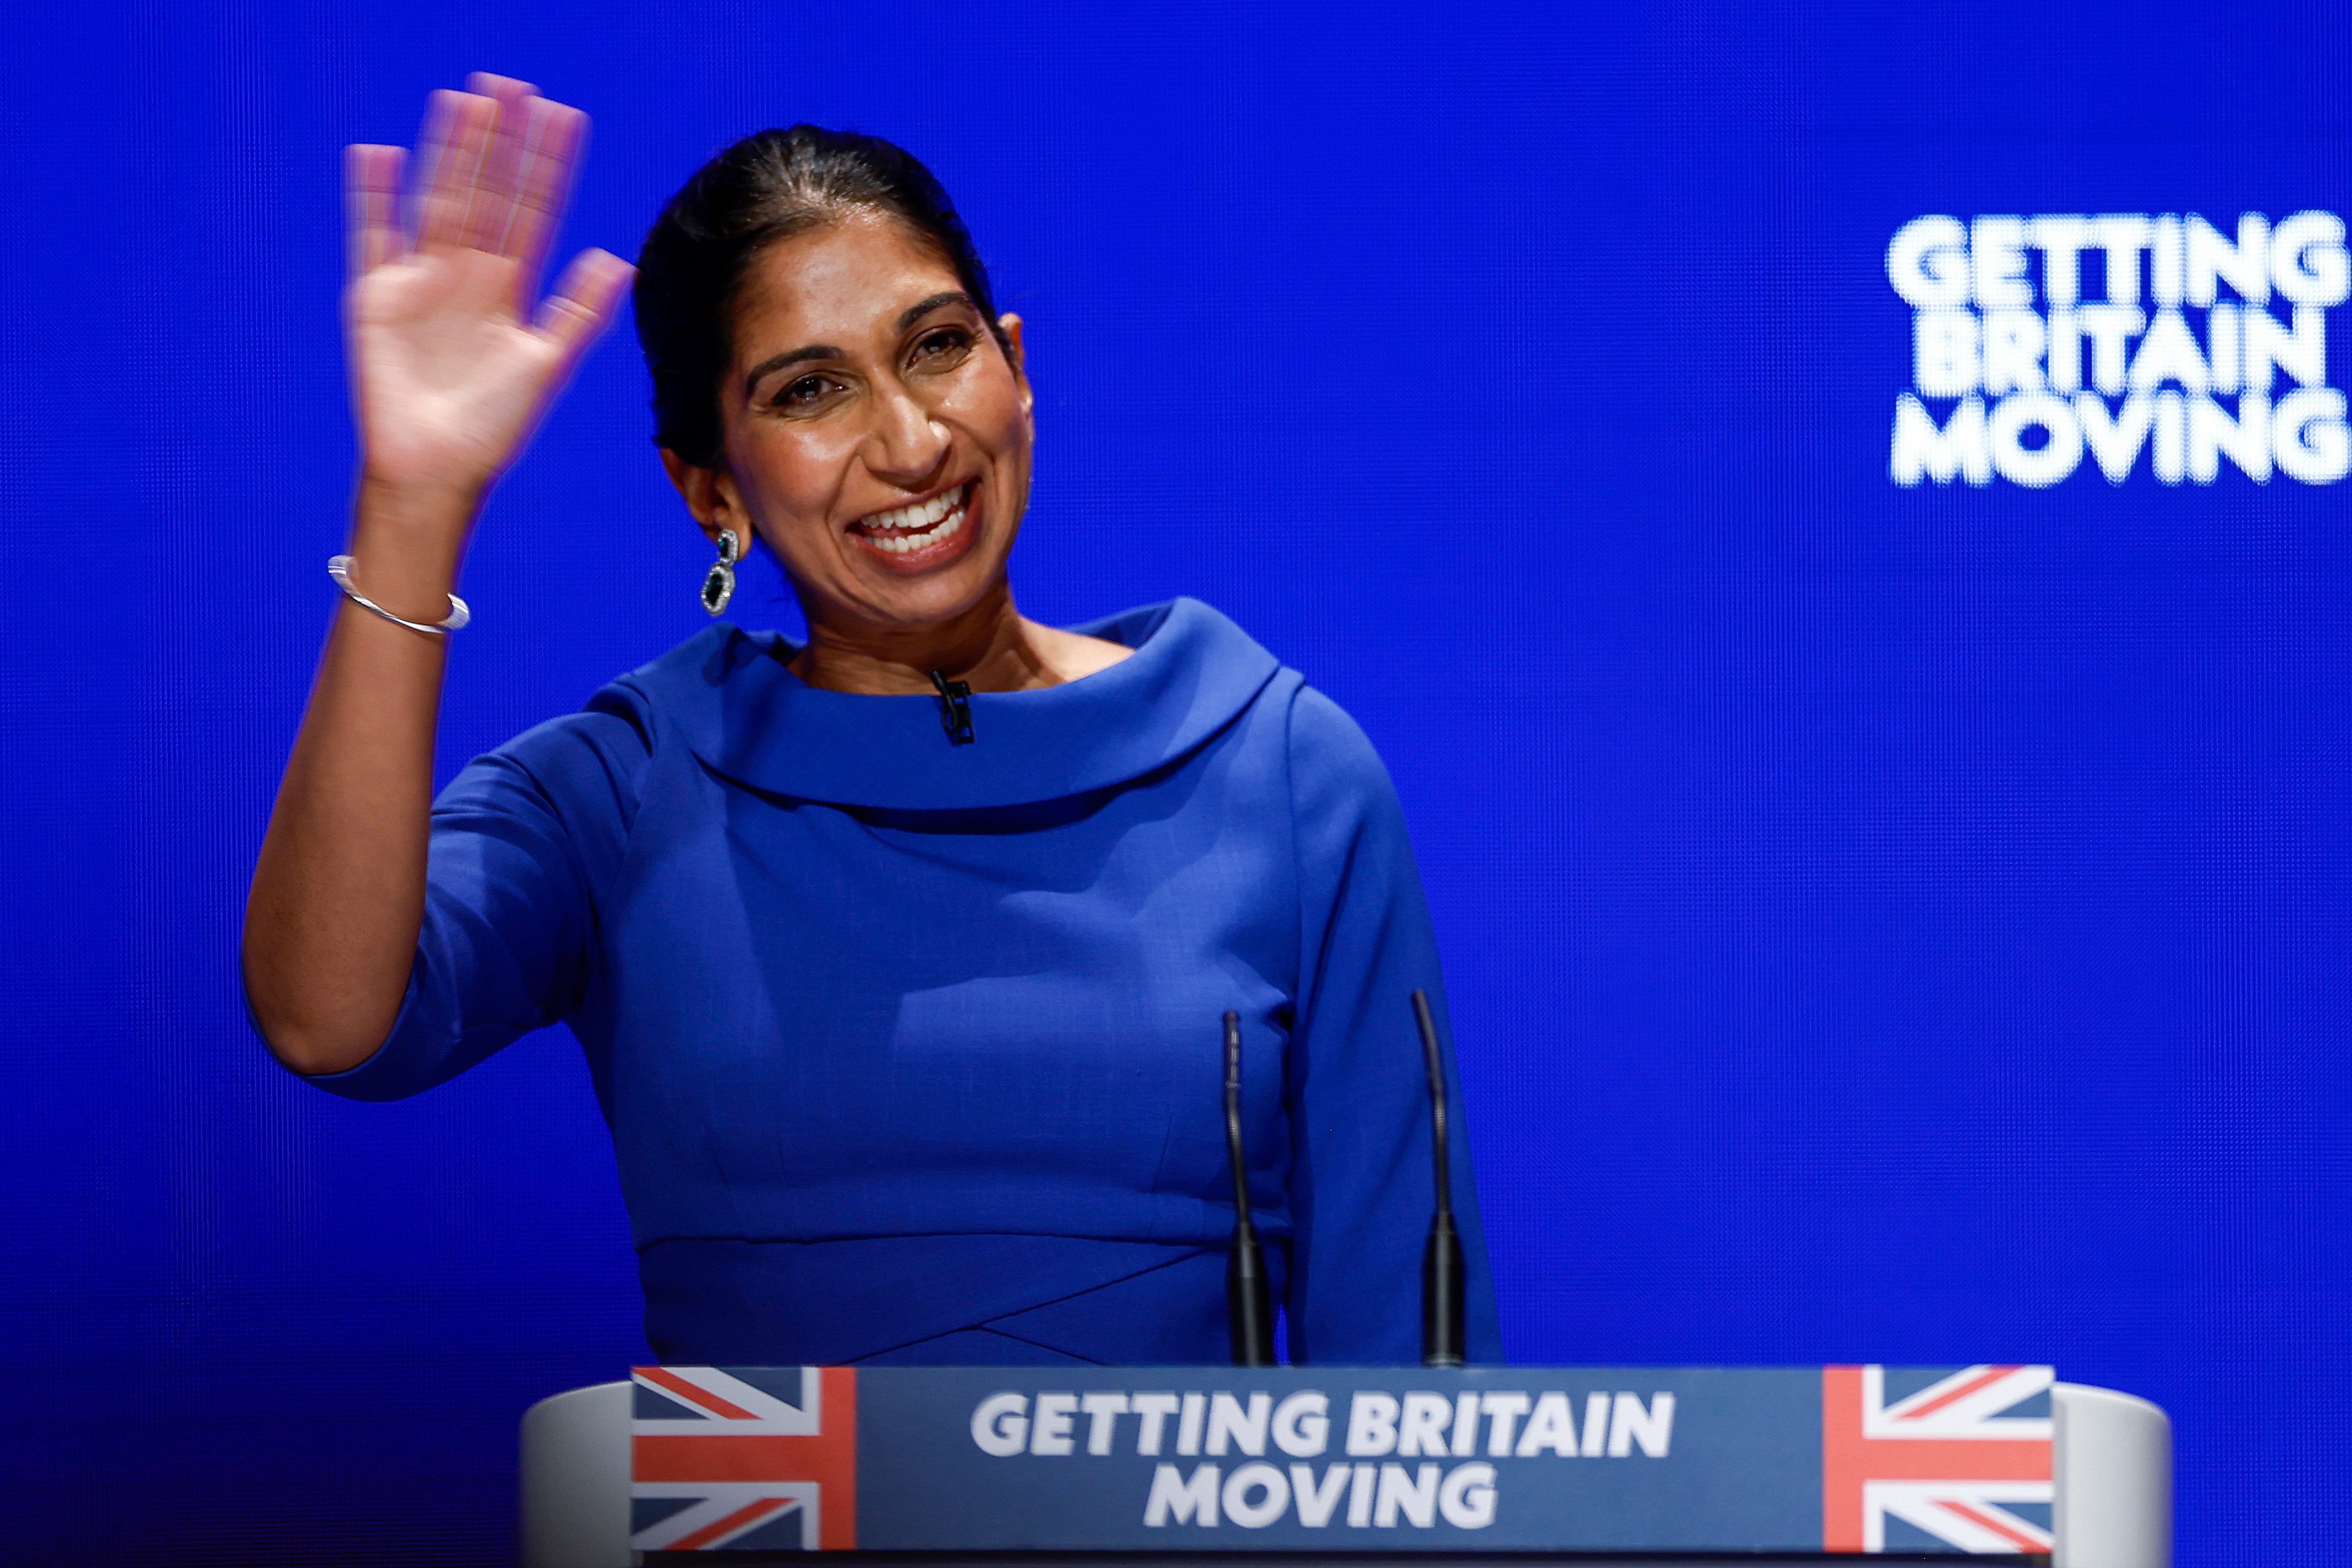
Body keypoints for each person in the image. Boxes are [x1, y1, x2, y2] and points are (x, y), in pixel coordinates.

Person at [243, 74, 1500, 1367]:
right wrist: (412, 500)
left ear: (1016, 367)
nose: (908, 441)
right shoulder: (631, 787)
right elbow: (329, 1021)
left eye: (936, 346)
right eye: (808, 391)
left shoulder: (1278, 765)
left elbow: (1407, 1355)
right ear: (708, 489)